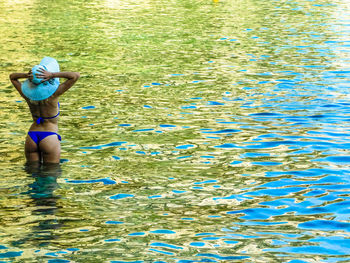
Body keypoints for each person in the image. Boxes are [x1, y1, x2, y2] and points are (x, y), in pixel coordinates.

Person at [9, 57, 80, 164]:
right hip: (49, 136)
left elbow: (12, 77)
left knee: (32, 171)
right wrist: (52, 74)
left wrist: (27, 76)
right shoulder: (54, 94)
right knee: (51, 174)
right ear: (47, 79)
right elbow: (75, 76)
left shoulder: (28, 96)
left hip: (32, 135)